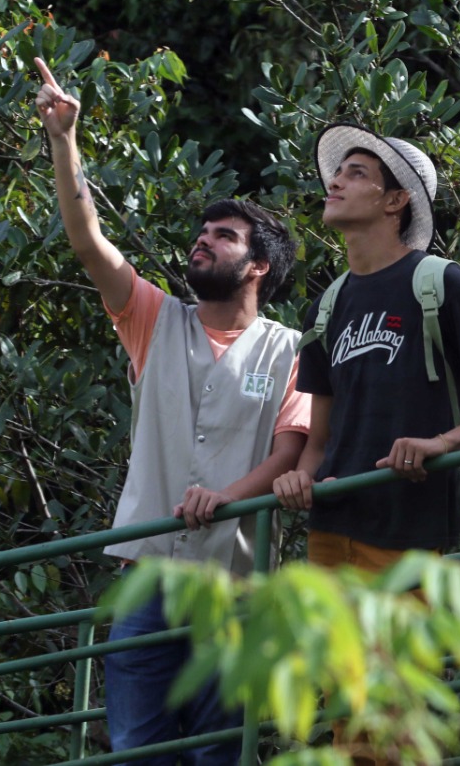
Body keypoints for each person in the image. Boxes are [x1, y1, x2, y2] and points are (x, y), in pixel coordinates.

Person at [34, 57, 310, 765]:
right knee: (136, 748)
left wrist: (224, 497)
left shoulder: (289, 349)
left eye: (224, 236)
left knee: (221, 752)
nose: (204, 240)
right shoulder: (155, 317)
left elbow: (290, 451)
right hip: (148, 577)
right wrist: (64, 141)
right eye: (203, 231)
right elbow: (86, 241)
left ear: (257, 268)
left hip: (234, 585)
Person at [270, 123, 460, 761]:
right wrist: (300, 474)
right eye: (340, 172)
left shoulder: (441, 285)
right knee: (346, 702)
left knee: (390, 704)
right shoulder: (327, 304)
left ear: (396, 202)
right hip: (334, 522)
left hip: (408, 526)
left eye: (357, 173)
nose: (335, 181)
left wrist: (443, 442)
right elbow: (321, 433)